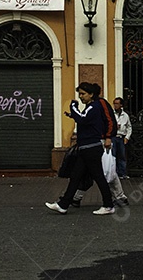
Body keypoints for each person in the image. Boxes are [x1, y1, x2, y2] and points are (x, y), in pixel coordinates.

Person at [45, 82, 117, 216]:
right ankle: (63, 204)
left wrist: (73, 106)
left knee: (98, 177)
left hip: (91, 148)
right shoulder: (91, 107)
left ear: (91, 94)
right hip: (86, 148)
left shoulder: (94, 107)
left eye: (83, 94)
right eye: (80, 94)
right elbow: (84, 120)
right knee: (76, 176)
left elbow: (82, 119)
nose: (81, 97)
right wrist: (74, 114)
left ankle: (108, 205)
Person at [67, 131, 130, 208]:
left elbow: (110, 126)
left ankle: (119, 197)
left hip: (98, 142)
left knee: (106, 170)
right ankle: (76, 197)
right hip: (93, 142)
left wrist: (107, 138)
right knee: (92, 170)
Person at [112, 96, 132, 179]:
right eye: (114, 104)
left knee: (122, 156)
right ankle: (114, 173)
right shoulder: (111, 114)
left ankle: (122, 173)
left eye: (117, 104)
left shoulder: (125, 115)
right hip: (113, 137)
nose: (115, 105)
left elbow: (129, 127)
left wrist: (127, 137)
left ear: (121, 105)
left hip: (121, 137)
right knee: (113, 156)